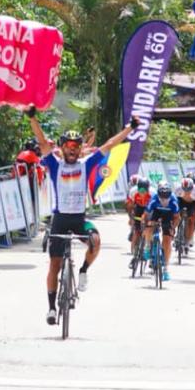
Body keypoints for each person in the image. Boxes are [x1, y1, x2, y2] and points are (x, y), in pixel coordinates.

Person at [26, 104, 140, 325]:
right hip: (59, 220)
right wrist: (32, 118)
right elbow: (41, 141)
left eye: (76, 146)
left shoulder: (86, 164)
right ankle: (51, 308)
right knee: (54, 266)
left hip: (79, 219)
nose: (72, 149)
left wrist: (130, 128)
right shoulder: (54, 164)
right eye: (68, 145)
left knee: (95, 242)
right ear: (62, 147)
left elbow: (109, 145)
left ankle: (84, 270)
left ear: (80, 149)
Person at [143, 181, 180, 280]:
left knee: (167, 241)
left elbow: (177, 218)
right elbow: (146, 215)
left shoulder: (173, 201)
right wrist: (145, 224)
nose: (164, 200)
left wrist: (173, 227)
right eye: (161, 198)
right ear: (158, 195)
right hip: (156, 213)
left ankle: (166, 269)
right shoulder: (154, 199)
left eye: (166, 198)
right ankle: (147, 246)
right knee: (149, 225)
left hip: (169, 216)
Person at [126, 177, 152, 257]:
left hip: (149, 208)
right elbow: (129, 206)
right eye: (140, 191)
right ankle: (134, 254)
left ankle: (149, 246)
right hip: (139, 207)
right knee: (137, 231)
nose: (142, 193)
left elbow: (155, 208)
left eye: (144, 191)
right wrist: (131, 218)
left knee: (150, 229)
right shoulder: (133, 191)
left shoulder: (153, 193)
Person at [174, 176, 195, 248]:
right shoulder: (177, 189)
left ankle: (189, 238)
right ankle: (176, 233)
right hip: (180, 201)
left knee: (191, 220)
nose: (186, 191)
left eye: (188, 189)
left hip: (192, 203)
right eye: (184, 189)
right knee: (175, 217)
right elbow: (173, 202)